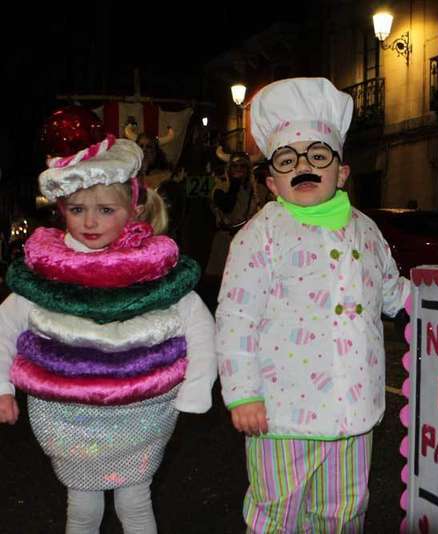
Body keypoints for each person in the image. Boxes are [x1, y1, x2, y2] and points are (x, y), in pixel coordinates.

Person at [0, 114, 216, 534]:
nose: (90, 222)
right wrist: (2, 386)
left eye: (105, 209)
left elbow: (197, 323)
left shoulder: (153, 267)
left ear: (134, 208)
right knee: (82, 507)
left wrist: (196, 387)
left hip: (142, 413)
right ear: (61, 209)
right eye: (77, 209)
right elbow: (6, 324)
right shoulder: (48, 269)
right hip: (67, 417)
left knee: (135, 502)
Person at [215, 77, 410, 533]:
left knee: (343, 512)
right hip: (282, 414)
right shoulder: (260, 236)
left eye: (318, 156)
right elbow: (236, 318)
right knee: (276, 512)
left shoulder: (367, 230)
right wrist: (243, 393)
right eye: (288, 160)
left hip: (354, 413)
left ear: (341, 173)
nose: (303, 167)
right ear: (272, 181)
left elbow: (394, 292)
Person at [205, 149, 270, 278]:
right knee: (220, 280)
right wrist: (234, 183)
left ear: (248, 169)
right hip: (225, 242)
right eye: (234, 166)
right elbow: (227, 207)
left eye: (242, 166)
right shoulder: (219, 188)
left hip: (250, 242)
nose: (238, 169)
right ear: (229, 169)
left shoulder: (260, 190)